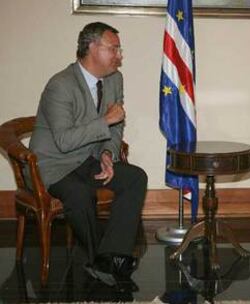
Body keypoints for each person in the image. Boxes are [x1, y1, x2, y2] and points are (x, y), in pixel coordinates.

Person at [28, 22, 147, 287]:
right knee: (80, 193)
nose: (119, 55)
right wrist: (105, 121)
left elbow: (116, 128)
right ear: (92, 48)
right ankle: (102, 260)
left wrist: (107, 153)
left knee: (135, 178)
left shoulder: (115, 79)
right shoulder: (60, 85)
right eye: (113, 48)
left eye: (119, 49)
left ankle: (111, 258)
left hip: (88, 158)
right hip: (54, 164)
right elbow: (63, 141)